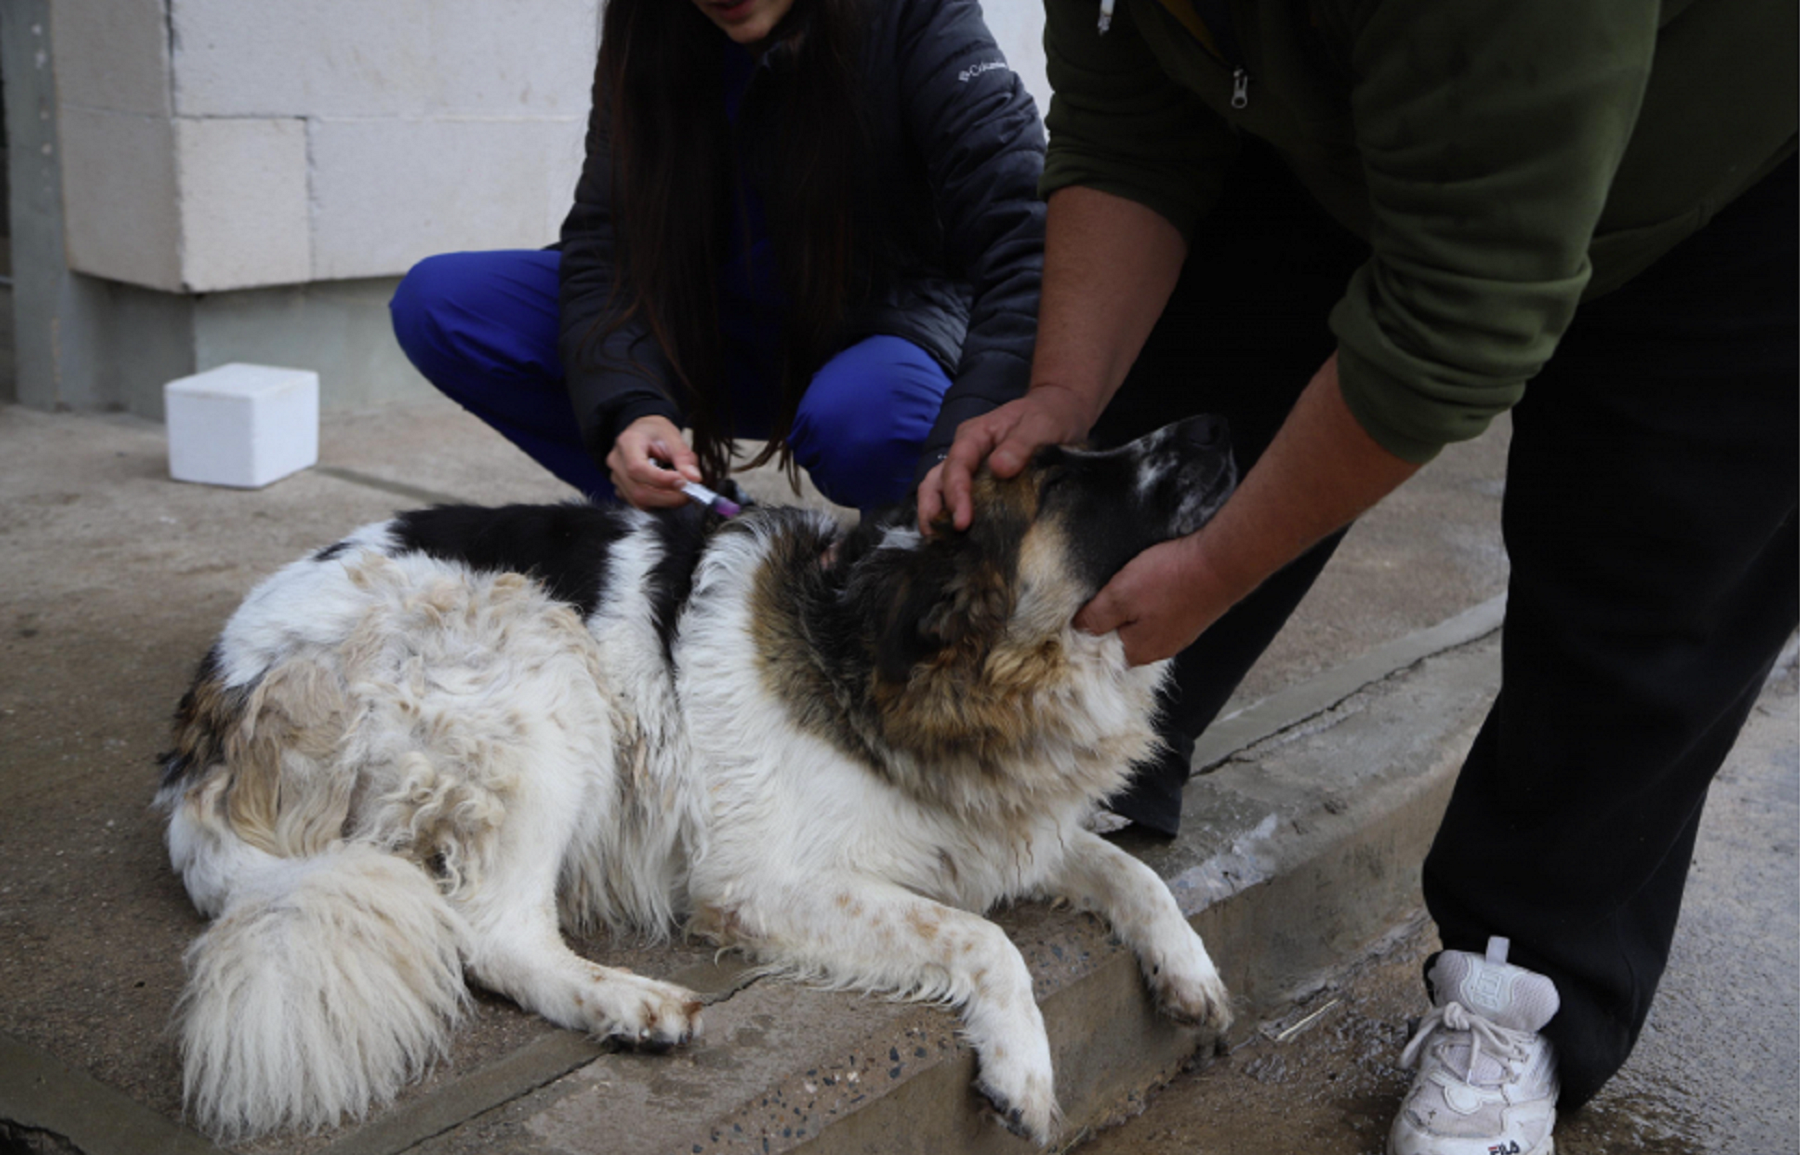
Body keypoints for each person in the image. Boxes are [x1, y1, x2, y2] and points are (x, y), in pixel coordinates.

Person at [918, 1, 1797, 1153]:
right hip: (1337, 108)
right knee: (1128, 489)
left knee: (1650, 577)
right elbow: (1126, 122)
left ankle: (1519, 989)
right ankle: (1077, 765)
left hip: (1728, 164)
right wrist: (1068, 402)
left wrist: (1217, 570)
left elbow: (1453, 321)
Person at [389, 0, 1045, 514]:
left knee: (868, 419)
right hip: (716, 337)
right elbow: (605, 240)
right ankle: (699, 516)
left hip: (880, 340)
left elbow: (1025, 230)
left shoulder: (914, 13)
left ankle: (911, 534)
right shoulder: (651, 22)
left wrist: (960, 448)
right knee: (443, 304)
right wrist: (630, 406)